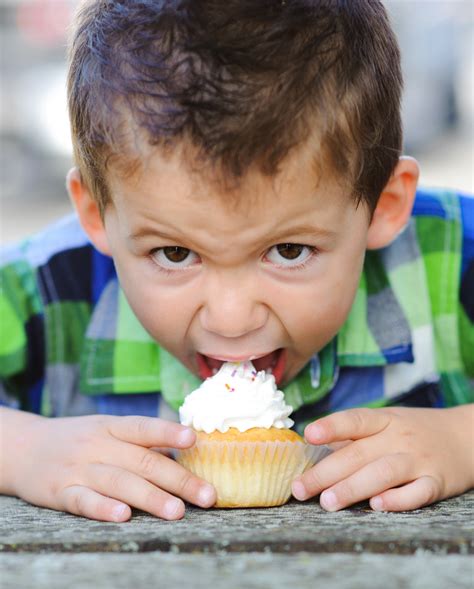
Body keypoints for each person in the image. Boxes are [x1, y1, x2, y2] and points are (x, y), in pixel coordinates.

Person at [1, 0, 473, 523]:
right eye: (174, 253)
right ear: (97, 211)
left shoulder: (452, 258)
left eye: (289, 251)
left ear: (384, 206)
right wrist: (24, 451)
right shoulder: (43, 288)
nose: (231, 317)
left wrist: (461, 438)